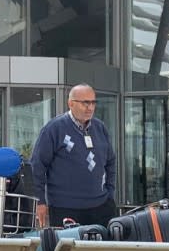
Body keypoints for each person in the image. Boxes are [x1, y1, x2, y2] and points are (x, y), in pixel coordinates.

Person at [31, 84, 116, 228]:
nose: (90, 107)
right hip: (65, 209)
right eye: (85, 103)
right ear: (70, 103)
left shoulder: (100, 128)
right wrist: (40, 201)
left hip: (101, 207)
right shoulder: (54, 128)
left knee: (102, 250)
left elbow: (111, 162)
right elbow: (37, 165)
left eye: (93, 102)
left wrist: (110, 195)